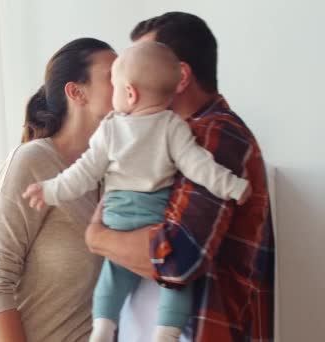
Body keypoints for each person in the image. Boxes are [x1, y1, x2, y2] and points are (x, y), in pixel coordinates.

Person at [23, 41, 251, 342]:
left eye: (114, 85)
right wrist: (233, 186)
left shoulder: (111, 128)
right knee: (177, 285)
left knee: (111, 278)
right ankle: (166, 333)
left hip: (117, 215)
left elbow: (82, 174)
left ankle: (103, 326)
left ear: (129, 93)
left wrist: (49, 190)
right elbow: (200, 167)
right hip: (156, 217)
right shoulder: (173, 126)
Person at [84, 12, 275, 342]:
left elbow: (178, 260)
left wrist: (96, 237)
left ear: (181, 76)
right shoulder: (156, 140)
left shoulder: (216, 135)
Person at [0, 38, 117, 342]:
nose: (126, 82)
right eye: (112, 75)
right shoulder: (33, 163)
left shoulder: (113, 172)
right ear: (76, 91)